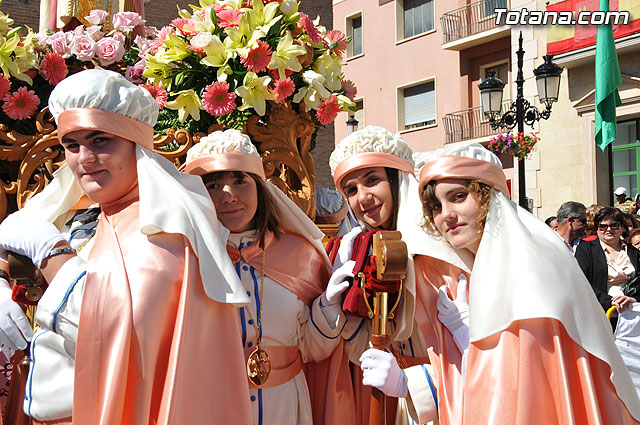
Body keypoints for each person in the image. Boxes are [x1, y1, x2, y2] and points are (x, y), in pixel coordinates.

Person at [0, 69, 253, 424]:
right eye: (71, 145)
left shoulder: (165, 227)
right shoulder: (91, 214)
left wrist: (51, 252)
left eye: (99, 140)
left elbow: (115, 330)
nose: (83, 158)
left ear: (134, 144)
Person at [398, 142, 640, 424]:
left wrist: (471, 341)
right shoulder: (480, 266)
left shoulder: (531, 267)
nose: (446, 215)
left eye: (459, 196)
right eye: (437, 207)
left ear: (488, 197)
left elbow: (522, 389)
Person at [182, 129, 355, 425]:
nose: (229, 195)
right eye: (213, 185)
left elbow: (314, 351)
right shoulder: (185, 260)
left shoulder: (302, 256)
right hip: (211, 407)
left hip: (286, 407)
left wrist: (326, 306)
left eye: (240, 181)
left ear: (259, 188)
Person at [321, 126, 468, 425]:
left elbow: (488, 366)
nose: (363, 198)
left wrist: (410, 383)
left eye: (372, 180)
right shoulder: (363, 252)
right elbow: (361, 350)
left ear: (396, 180)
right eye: (351, 189)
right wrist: (335, 305)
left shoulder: (444, 257)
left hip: (445, 409)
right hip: (392, 408)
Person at [575, 207, 640, 315]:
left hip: (632, 311)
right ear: (597, 229)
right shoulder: (586, 249)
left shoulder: (633, 252)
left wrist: (633, 299)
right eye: (603, 226)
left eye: (614, 225)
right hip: (601, 312)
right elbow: (580, 282)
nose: (609, 229)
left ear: (622, 228)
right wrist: (610, 301)